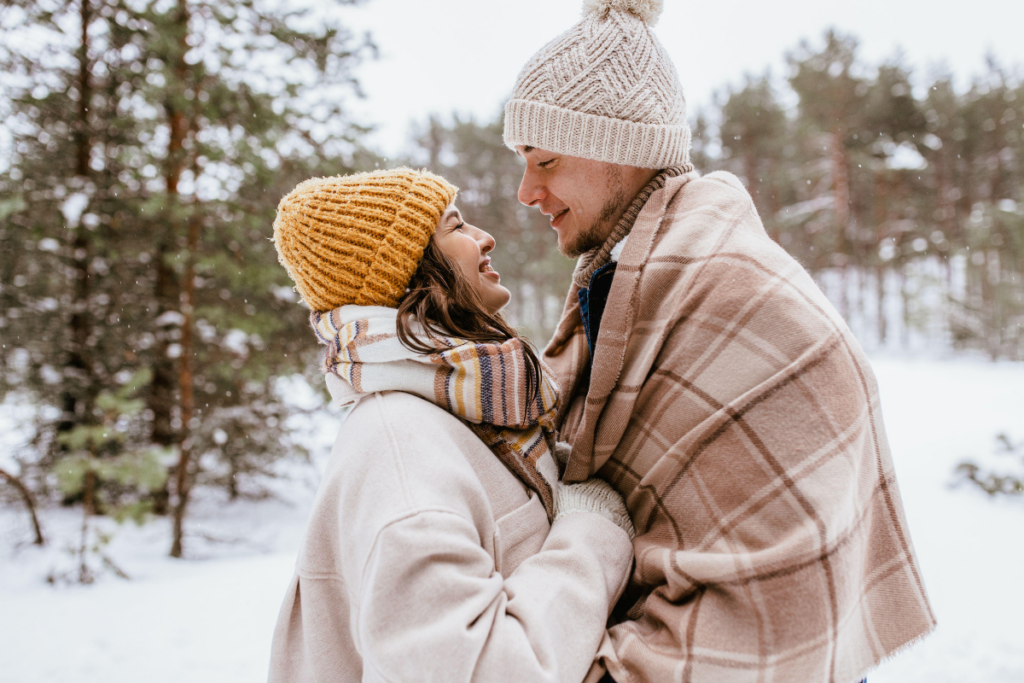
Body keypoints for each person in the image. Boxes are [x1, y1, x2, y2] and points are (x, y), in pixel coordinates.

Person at [503, 1, 935, 682]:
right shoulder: (623, 285)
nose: (527, 191)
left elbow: (781, 589)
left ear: (624, 148)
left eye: (546, 160)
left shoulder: (734, 295)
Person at [266, 168, 636, 683]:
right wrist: (591, 535)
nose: (484, 238)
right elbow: (477, 671)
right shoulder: (400, 448)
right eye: (457, 227)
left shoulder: (475, 416)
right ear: (408, 271)